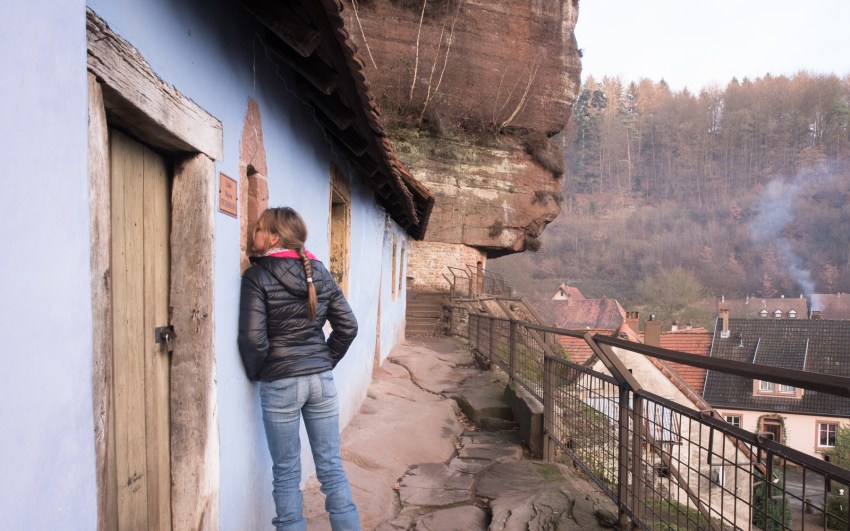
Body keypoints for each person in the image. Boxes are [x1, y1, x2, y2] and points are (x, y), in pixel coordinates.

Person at [238, 207, 360, 531]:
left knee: (287, 472)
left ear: (275, 237)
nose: (254, 234)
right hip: (321, 381)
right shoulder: (319, 271)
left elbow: (253, 340)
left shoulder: (257, 276)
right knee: (332, 467)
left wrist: (260, 373)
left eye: (260, 229)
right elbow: (348, 326)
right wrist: (322, 362)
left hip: (280, 383)